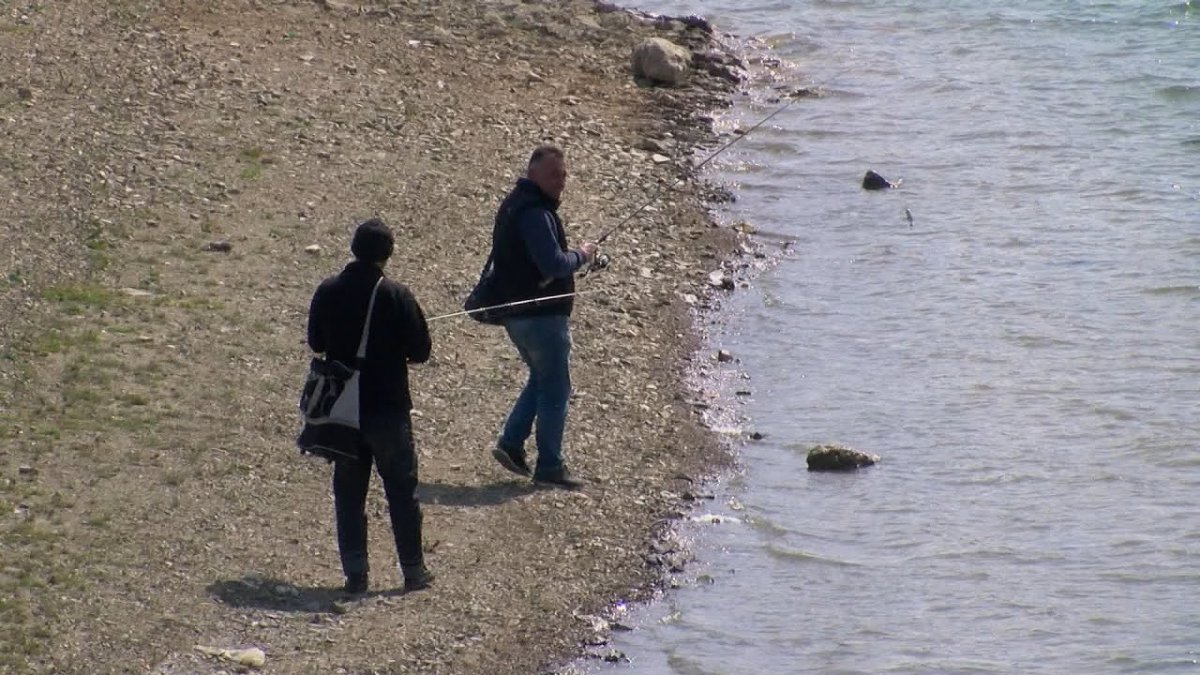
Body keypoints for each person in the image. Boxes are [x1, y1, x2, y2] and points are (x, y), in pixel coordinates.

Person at [306, 219, 434, 594]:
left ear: (353, 248)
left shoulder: (327, 290)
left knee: (348, 493)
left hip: (341, 411)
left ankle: (356, 575)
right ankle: (413, 571)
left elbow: (316, 342)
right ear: (387, 254)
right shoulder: (396, 295)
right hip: (387, 407)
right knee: (401, 491)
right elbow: (421, 351)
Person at [486, 145, 598, 488]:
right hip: (540, 317)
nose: (560, 182)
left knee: (542, 377)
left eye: (563, 175)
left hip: (518, 315)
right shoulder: (534, 213)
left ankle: (511, 442)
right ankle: (550, 465)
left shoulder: (516, 204)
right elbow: (552, 264)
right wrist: (581, 255)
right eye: (553, 175)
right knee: (555, 389)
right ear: (532, 173)